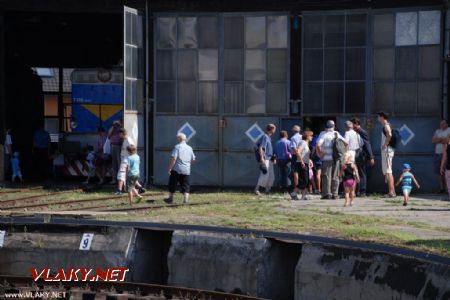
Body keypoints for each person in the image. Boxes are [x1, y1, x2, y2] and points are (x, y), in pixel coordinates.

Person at [317, 120, 347, 199]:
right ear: (333, 126)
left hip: (327, 158)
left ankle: (327, 194)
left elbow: (318, 145)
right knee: (335, 176)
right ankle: (335, 194)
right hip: (336, 158)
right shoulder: (336, 133)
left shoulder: (323, 134)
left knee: (326, 176)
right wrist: (343, 154)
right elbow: (346, 143)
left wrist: (320, 154)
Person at [165, 133, 196, 204]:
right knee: (186, 185)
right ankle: (185, 200)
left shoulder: (177, 147)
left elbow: (174, 159)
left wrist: (170, 168)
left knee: (172, 183)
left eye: (177, 138)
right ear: (185, 139)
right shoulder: (190, 148)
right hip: (186, 170)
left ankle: (170, 198)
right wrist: (188, 164)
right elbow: (193, 159)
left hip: (176, 169)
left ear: (179, 139)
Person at [351, 118, 375, 197]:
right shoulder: (354, 132)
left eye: (352, 124)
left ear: (356, 124)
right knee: (356, 172)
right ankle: (357, 190)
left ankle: (362, 190)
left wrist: (371, 157)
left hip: (361, 155)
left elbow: (367, 144)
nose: (351, 126)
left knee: (361, 172)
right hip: (355, 155)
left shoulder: (362, 132)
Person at [255, 124, 277, 195]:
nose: (275, 130)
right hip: (265, 158)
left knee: (271, 176)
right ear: (272, 129)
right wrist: (262, 158)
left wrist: (273, 158)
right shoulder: (265, 136)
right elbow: (261, 147)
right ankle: (257, 189)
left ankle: (267, 190)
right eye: (274, 129)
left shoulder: (269, 137)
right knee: (264, 174)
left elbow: (269, 149)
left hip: (269, 158)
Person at [378, 111, 396, 198]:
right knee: (388, 171)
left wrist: (385, 144)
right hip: (387, 151)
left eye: (378, 116)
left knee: (388, 171)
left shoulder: (386, 125)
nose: (378, 118)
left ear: (382, 117)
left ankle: (391, 192)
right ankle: (392, 191)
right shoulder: (386, 125)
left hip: (387, 151)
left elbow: (389, 134)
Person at [291, 131, 312, 200]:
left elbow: (304, 154)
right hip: (301, 163)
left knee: (305, 180)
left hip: (305, 163)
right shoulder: (303, 142)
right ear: (307, 136)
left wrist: (309, 161)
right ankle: (294, 193)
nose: (312, 137)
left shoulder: (306, 143)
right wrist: (302, 161)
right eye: (311, 136)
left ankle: (303, 195)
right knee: (304, 180)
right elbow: (298, 151)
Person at [115, 128, 135, 195]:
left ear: (123, 134)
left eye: (119, 134)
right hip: (124, 159)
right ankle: (123, 189)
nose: (119, 135)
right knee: (124, 175)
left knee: (121, 174)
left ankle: (119, 190)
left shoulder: (128, 140)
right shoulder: (125, 140)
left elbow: (133, 150)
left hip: (126, 160)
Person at [432, 120, 450, 193]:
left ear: (447, 124)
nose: (441, 125)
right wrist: (443, 139)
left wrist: (439, 140)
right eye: (440, 124)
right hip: (437, 153)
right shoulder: (437, 131)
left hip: (446, 154)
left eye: (443, 123)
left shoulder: (449, 130)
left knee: (446, 171)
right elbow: (433, 141)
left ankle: (447, 188)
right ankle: (441, 188)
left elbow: (447, 140)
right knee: (439, 172)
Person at [289, 125, 302, 195]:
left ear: (293, 131)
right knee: (301, 172)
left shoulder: (293, 138)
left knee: (295, 172)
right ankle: (301, 187)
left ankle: (297, 188)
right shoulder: (302, 137)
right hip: (302, 155)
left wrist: (297, 155)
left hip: (295, 156)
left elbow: (294, 148)